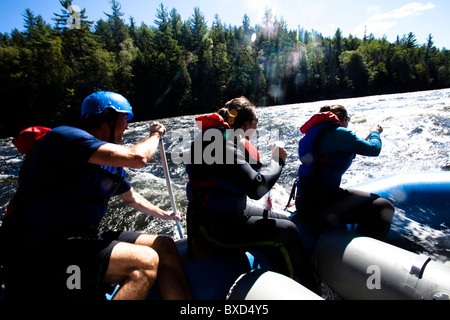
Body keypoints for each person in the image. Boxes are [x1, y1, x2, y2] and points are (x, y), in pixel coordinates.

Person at [0, 91, 191, 300]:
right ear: (108, 116)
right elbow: (138, 157)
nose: (127, 126)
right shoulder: (65, 138)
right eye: (125, 118)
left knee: (163, 245)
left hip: (78, 239)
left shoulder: (107, 163)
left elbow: (131, 198)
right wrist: (155, 135)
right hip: (39, 248)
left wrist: (165, 214)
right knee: (144, 263)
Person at [186, 97, 313, 287]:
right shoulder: (221, 144)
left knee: (286, 220)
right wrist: (278, 160)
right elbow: (257, 187)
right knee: (287, 231)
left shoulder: (224, 139)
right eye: (256, 123)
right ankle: (305, 289)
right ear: (248, 124)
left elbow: (250, 173)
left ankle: (289, 279)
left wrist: (271, 163)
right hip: (213, 228)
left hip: (229, 214)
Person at [295, 105, 395, 240]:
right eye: (348, 119)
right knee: (384, 207)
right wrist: (375, 132)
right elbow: (374, 149)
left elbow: (336, 155)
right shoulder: (340, 133)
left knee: (375, 199)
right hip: (321, 203)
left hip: (304, 202)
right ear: (343, 119)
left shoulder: (313, 135)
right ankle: (365, 252)